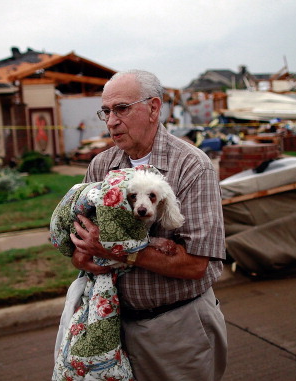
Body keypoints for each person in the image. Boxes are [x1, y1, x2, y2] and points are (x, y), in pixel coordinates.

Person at [69, 69, 228, 380]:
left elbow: (196, 264)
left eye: (122, 109)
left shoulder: (192, 166)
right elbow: (79, 244)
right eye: (106, 111)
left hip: (176, 329)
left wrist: (116, 249)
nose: (111, 121)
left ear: (154, 108)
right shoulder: (100, 166)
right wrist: (82, 254)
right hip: (111, 325)